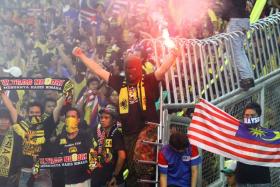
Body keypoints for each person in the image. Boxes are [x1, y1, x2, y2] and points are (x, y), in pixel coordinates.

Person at [73, 45, 178, 186]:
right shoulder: (119, 82)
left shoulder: (148, 80)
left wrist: (173, 55)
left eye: (133, 67)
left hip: (148, 130)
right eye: (127, 68)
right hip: (128, 134)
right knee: (132, 167)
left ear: (139, 67)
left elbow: (162, 69)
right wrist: (81, 56)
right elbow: (98, 70)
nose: (130, 71)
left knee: (141, 160)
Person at [0, 89, 66, 187]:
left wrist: (65, 93)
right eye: (31, 112)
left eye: (37, 112)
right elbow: (11, 108)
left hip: (43, 171)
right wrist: (1, 92)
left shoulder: (46, 124)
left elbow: (57, 108)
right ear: (27, 114)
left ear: (41, 113)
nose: (34, 114)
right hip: (24, 171)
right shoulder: (22, 123)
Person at [235, 102, 271, 186]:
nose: (249, 118)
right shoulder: (238, 133)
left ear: (258, 116)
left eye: (252, 115)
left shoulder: (267, 135)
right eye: (246, 115)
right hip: (242, 180)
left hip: (261, 181)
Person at [90, 104, 126, 187]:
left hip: (113, 180)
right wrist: (92, 169)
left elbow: (122, 156)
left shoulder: (116, 133)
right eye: (101, 117)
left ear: (113, 120)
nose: (102, 120)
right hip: (98, 178)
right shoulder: (96, 131)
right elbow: (92, 150)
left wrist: (115, 176)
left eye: (106, 118)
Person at [56, 107, 92, 187]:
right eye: (68, 117)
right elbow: (56, 157)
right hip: (66, 181)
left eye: (73, 117)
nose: (70, 119)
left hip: (83, 180)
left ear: (78, 120)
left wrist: (90, 170)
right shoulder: (61, 137)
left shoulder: (85, 135)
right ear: (65, 120)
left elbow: (93, 154)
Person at [223, 0, 255, 90]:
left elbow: (226, 7)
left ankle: (246, 78)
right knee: (240, 51)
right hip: (245, 20)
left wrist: (224, 17)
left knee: (236, 52)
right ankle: (249, 77)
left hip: (236, 21)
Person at [0, 107, 22, 187]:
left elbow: (19, 155)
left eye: (6, 119)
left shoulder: (16, 136)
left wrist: (18, 172)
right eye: (1, 119)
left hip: (11, 176)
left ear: (10, 121)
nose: (3, 122)